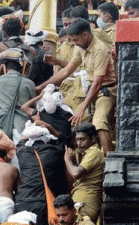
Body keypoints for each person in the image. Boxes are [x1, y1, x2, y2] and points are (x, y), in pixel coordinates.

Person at [40, 18, 117, 155]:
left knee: (99, 124)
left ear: (85, 35)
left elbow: (98, 83)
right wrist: (41, 87)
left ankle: (111, 164)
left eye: (75, 40)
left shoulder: (99, 49)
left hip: (106, 92)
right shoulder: (80, 47)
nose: (74, 44)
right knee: (76, 126)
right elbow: (66, 71)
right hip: (90, 93)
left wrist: (82, 107)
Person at [14, 90, 72, 225]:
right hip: (43, 203)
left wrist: (34, 126)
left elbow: (21, 140)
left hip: (22, 202)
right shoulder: (54, 151)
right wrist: (49, 127)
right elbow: (63, 141)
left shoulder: (22, 151)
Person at [0, 48, 35, 142]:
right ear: (22, 67)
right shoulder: (28, 83)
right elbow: (32, 106)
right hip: (21, 127)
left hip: (0, 126)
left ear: (5, 67)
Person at [64, 123, 104, 223]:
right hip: (81, 199)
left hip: (86, 201)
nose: (79, 143)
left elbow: (75, 173)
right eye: (77, 140)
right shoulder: (85, 154)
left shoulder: (94, 152)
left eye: (82, 139)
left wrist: (67, 160)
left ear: (93, 139)